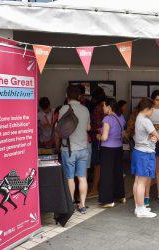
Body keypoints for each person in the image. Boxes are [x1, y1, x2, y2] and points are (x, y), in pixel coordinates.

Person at [58, 85, 91, 214]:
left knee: (70, 177)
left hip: (69, 149)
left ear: (67, 96)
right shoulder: (85, 109)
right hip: (83, 148)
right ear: (79, 96)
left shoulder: (64, 109)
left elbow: (60, 128)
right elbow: (88, 128)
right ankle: (82, 205)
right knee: (82, 177)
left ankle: (71, 203)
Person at [131, 98, 159, 218]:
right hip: (145, 153)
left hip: (138, 151)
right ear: (146, 109)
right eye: (152, 109)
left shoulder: (138, 117)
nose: (153, 111)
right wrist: (155, 137)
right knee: (142, 182)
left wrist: (152, 137)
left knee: (137, 181)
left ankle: (138, 207)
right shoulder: (146, 120)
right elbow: (157, 136)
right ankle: (141, 209)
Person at [97, 98, 126, 207]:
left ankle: (108, 200)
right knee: (118, 172)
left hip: (108, 150)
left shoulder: (107, 119)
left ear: (109, 107)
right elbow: (122, 134)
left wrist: (98, 136)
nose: (103, 108)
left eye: (104, 105)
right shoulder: (121, 117)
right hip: (118, 148)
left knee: (106, 174)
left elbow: (104, 137)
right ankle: (121, 196)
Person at [87, 87, 106, 198]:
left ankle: (95, 189)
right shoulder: (105, 106)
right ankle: (98, 188)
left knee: (97, 164)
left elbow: (98, 125)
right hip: (104, 139)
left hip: (98, 139)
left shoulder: (99, 108)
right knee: (100, 164)